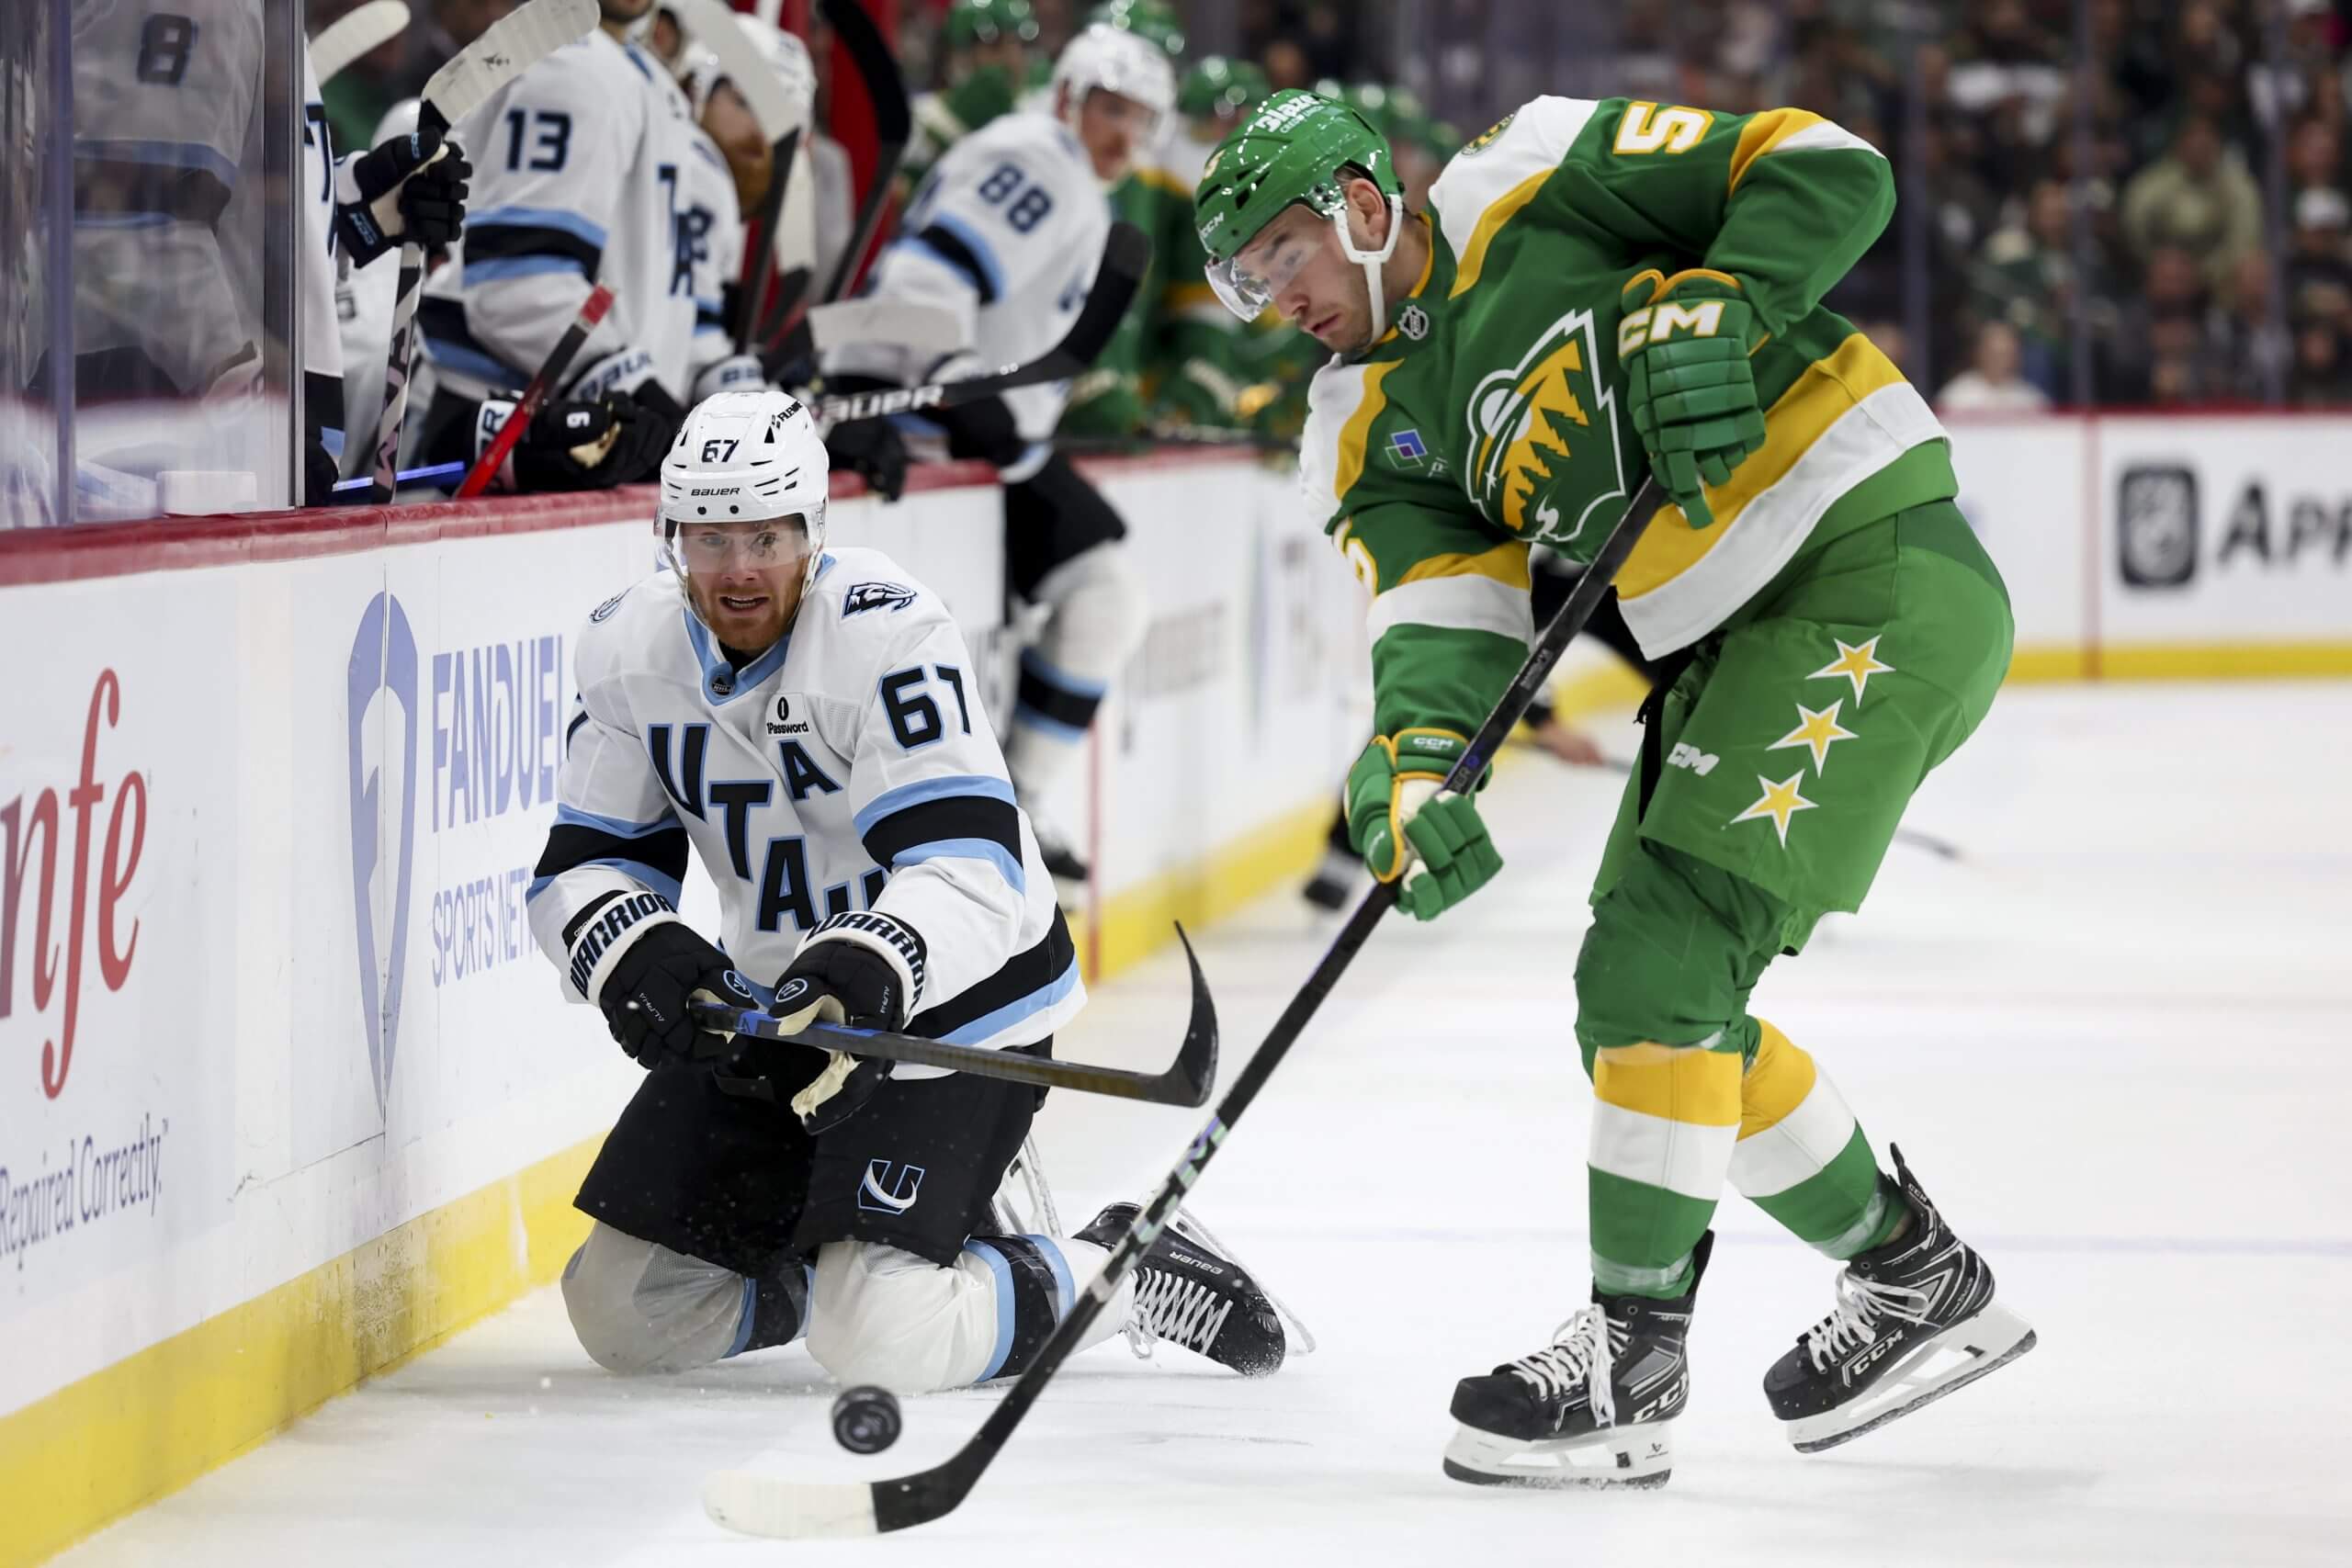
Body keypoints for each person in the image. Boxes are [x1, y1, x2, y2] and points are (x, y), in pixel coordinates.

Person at [1195, 90, 2033, 1486]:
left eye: (1286, 252)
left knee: (1660, 976)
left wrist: (1725, 298)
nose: (1278, 297)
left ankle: (1631, 1359)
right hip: (1729, 636)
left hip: (1866, 567)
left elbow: (1830, 168)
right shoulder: (1359, 427)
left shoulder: (1527, 171)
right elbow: (1439, 634)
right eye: (1245, 280)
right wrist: (1409, 768)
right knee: (1641, 1005)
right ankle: (1911, 1275)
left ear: (1357, 202)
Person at [530, 388, 1285, 1390]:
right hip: (772, 1014)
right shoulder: (626, 651)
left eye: (766, 536)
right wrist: (636, 951)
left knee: (882, 1340)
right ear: (669, 539)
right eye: (709, 540)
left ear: (813, 528)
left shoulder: (887, 636)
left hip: (950, 1013)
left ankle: (1126, 1263)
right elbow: (580, 863)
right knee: (625, 1313)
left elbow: (970, 868)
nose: (739, 570)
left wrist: (867, 965)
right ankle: (829, 1256)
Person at [821, 23, 1174, 887]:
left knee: (1097, 595)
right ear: (1067, 96)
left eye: (1141, 119)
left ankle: (1012, 803)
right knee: (1101, 593)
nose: (1122, 135)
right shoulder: (1039, 158)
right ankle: (1014, 804)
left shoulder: (1072, 180)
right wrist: (943, 377)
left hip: (978, 443)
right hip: (930, 433)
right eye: (1109, 108)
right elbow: (925, 276)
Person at [412, 0, 694, 491]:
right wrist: (643, 396)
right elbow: (516, 287)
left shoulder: (651, 82)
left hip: (603, 435)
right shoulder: (572, 64)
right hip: (510, 435)